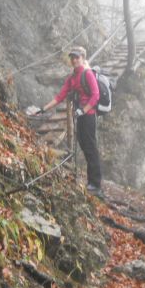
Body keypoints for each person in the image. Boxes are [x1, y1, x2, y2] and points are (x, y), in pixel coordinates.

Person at [39, 46, 102, 194]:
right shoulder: (72, 77)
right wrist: (43, 109)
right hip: (80, 115)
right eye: (72, 57)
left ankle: (96, 184)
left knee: (91, 147)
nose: (74, 60)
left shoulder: (87, 74)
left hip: (88, 115)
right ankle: (91, 182)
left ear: (83, 58)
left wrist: (83, 110)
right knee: (84, 145)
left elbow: (95, 96)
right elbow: (60, 96)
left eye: (77, 57)